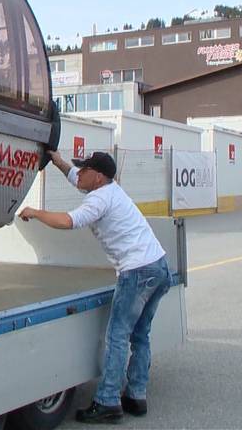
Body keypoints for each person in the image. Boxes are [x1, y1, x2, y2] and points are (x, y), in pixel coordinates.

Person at [19, 150, 171, 424]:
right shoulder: (110, 189)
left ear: (98, 177)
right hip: (158, 266)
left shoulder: (99, 199)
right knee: (140, 335)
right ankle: (136, 395)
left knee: (117, 336)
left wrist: (34, 212)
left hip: (137, 272)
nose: (81, 174)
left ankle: (108, 401)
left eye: (85, 169)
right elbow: (75, 177)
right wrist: (58, 161)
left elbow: (68, 222)